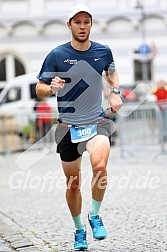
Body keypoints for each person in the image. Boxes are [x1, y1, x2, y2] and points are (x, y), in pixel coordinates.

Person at [36, 4, 122, 250]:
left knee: (100, 166)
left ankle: (94, 215)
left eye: (86, 22)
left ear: (91, 24)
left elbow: (113, 73)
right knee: (73, 184)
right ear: (69, 25)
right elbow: (39, 88)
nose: (82, 26)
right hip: (67, 127)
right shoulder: (56, 55)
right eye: (77, 22)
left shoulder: (103, 51)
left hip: (96, 122)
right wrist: (50, 88)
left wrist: (115, 93)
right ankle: (79, 230)